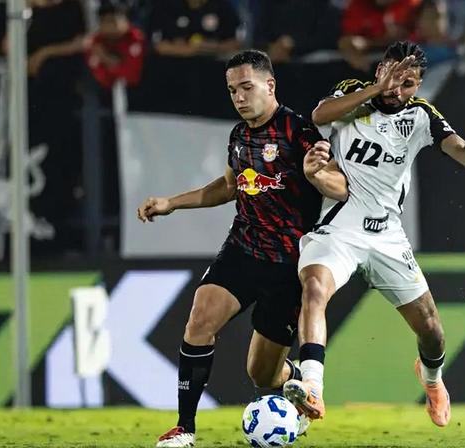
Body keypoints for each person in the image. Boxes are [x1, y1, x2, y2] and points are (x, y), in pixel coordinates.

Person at [281, 40, 465, 428]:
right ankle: (313, 387)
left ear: (419, 86)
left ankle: (433, 381)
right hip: (340, 228)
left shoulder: (421, 116)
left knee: (433, 333)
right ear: (378, 73)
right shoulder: (351, 96)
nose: (398, 89)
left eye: (409, 84)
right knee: (315, 290)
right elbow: (319, 113)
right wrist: (375, 90)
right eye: (392, 78)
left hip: (387, 236)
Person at [137, 50, 348, 447]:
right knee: (200, 319)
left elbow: (341, 188)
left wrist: (316, 175)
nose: (239, 96)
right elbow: (229, 186)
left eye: (247, 87)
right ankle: (185, 428)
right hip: (244, 248)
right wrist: (171, 203)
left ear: (270, 86)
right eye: (233, 89)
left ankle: (294, 381)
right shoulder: (239, 135)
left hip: (288, 264)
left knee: (262, 375)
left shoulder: (299, 133)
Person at [84, 1, 145, 89]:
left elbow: (130, 75)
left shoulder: (135, 38)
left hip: (140, 90)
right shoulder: (95, 42)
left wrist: (104, 57)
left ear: (126, 21)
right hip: (105, 93)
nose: (110, 27)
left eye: (113, 21)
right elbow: (102, 77)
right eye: (104, 22)